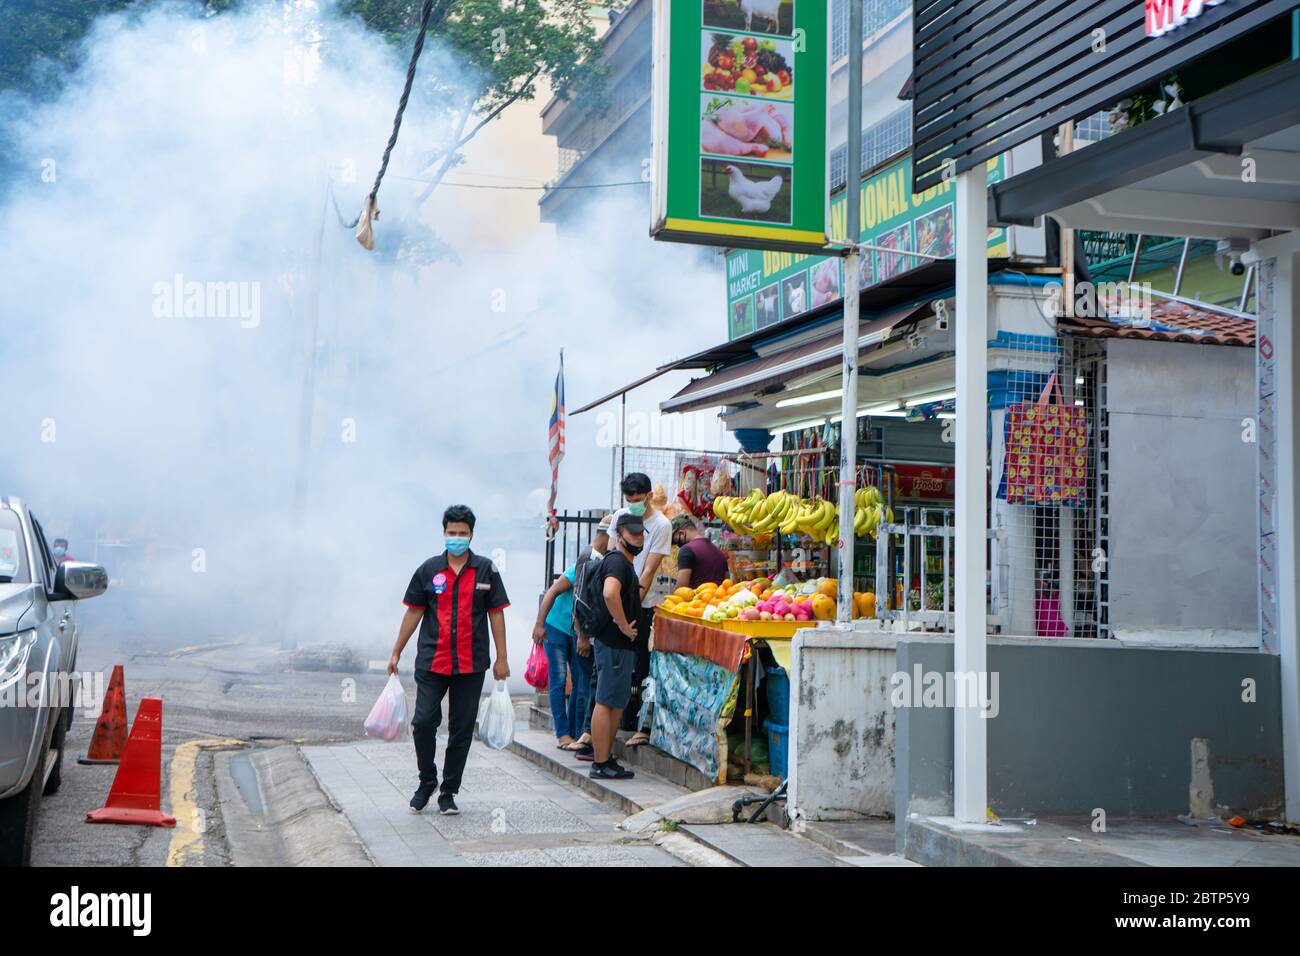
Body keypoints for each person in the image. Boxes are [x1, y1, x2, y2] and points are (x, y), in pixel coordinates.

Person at [388, 505, 510, 815]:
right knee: (423, 722)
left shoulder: (486, 570)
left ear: (471, 535)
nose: (456, 538)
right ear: (443, 534)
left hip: (471, 664)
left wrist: (502, 658)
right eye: (451, 533)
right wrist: (396, 650)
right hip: (432, 660)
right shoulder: (428, 570)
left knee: (461, 728)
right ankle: (427, 779)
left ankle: (448, 790)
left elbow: (496, 614)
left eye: (462, 533)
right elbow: (414, 611)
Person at [531, 515, 610, 751]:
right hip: (556, 628)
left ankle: (577, 731)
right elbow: (552, 591)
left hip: (576, 632)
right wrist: (539, 624)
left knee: (579, 682)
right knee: (558, 680)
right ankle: (563, 733)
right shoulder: (583, 565)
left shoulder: (600, 561)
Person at [606, 473, 670, 746]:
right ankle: (599, 726)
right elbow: (611, 556)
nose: (633, 505)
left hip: (642, 605)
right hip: (615, 601)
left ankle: (643, 727)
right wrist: (614, 604)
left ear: (649, 496)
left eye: (638, 500)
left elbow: (648, 571)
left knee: (644, 667)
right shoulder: (619, 516)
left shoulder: (661, 525)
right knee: (612, 667)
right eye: (629, 500)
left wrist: (630, 604)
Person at [588, 513, 644, 779]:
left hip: (616, 644)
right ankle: (600, 762)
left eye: (641, 534)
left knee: (614, 701)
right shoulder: (618, 563)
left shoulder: (621, 562)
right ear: (619, 536)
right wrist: (622, 625)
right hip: (613, 641)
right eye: (633, 535)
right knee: (607, 701)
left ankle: (606, 758)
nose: (638, 539)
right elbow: (610, 593)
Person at [569, 515, 612, 762]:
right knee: (589, 687)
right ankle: (585, 735)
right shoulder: (590, 557)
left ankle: (584, 734)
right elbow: (580, 599)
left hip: (592, 633)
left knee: (587, 686)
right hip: (588, 634)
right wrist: (582, 636)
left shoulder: (598, 555)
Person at [672, 514, 729, 588]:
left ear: (682, 533)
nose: (677, 544)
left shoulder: (687, 550)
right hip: (718, 598)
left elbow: (681, 588)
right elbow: (727, 583)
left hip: (696, 599)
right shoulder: (719, 552)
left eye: (676, 540)